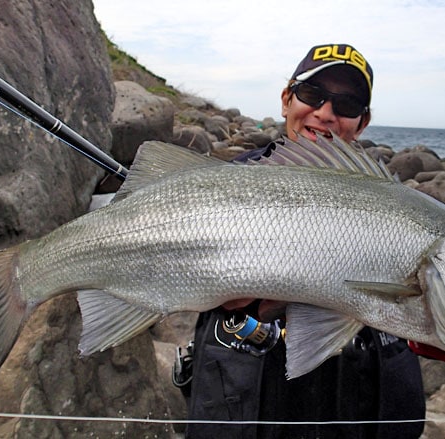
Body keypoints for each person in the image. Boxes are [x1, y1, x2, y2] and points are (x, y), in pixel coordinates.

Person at [177, 43, 426, 439]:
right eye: (311, 95)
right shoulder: (222, 185)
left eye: (346, 104)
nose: (325, 113)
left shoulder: (397, 204)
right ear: (286, 99)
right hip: (249, 404)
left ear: (362, 123)